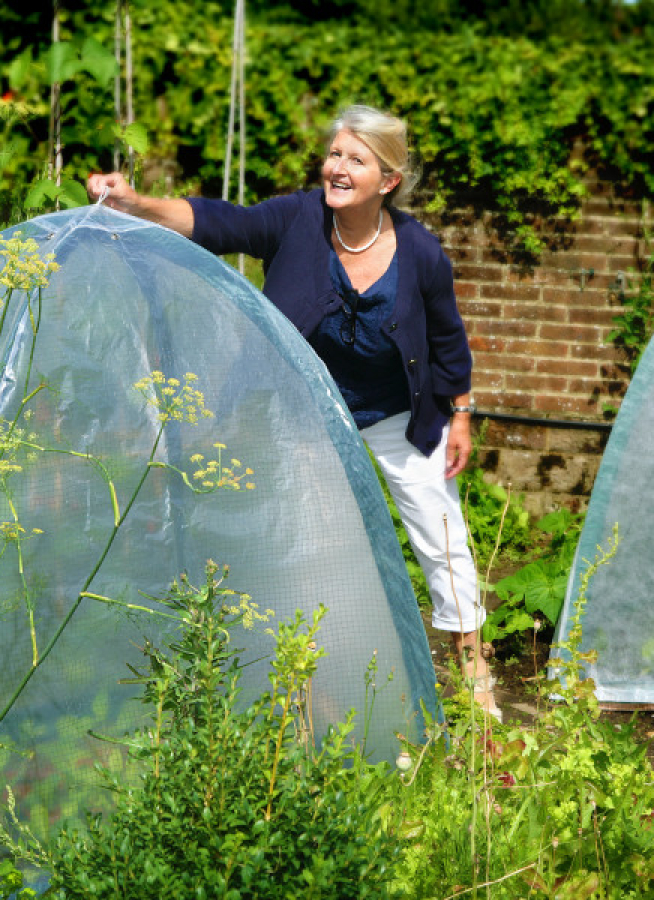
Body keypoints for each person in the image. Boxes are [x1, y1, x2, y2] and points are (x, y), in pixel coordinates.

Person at [87, 103, 500, 721]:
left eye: (354, 159)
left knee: (442, 536)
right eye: (334, 153)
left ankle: (473, 673)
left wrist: (460, 413)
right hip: (309, 410)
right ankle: (314, 679)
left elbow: (446, 335)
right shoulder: (295, 220)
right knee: (306, 539)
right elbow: (218, 223)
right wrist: (137, 203)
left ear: (387, 180)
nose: (336, 167)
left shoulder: (420, 251)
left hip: (397, 411)